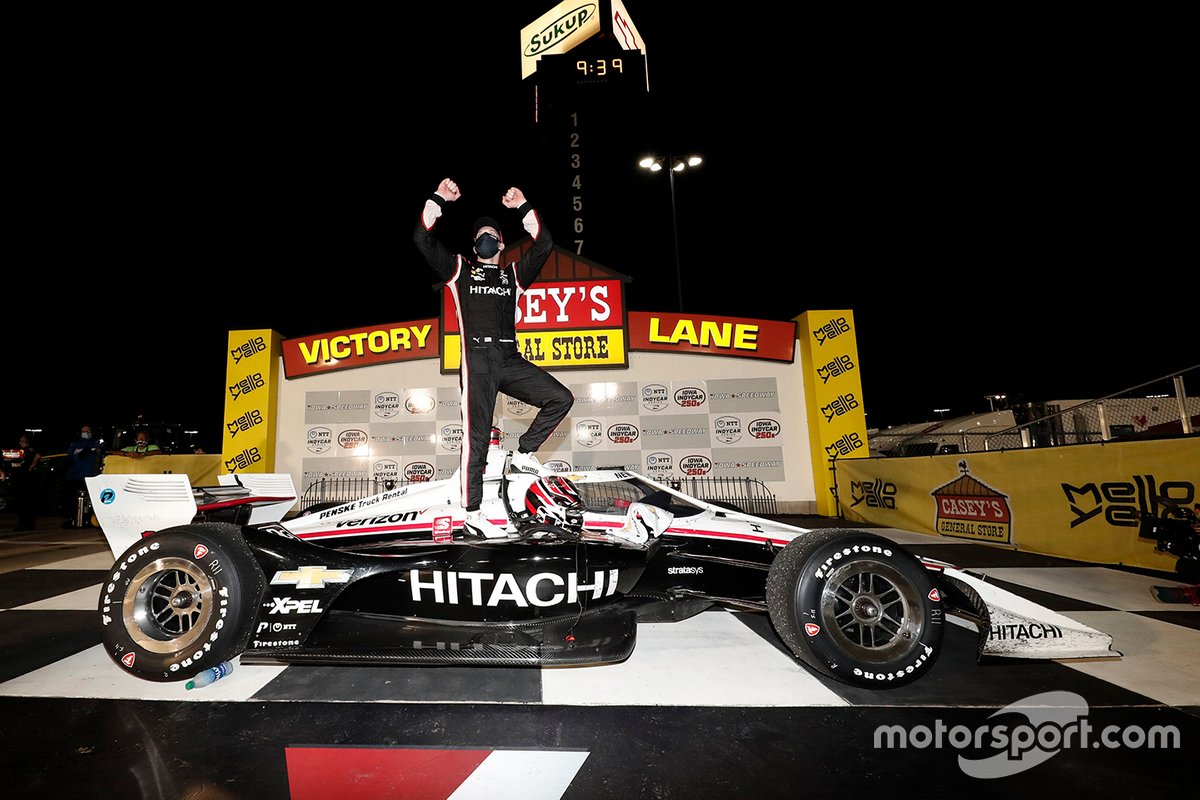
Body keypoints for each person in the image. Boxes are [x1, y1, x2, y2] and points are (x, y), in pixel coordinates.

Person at [414, 178, 574, 538]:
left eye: (491, 234)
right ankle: (472, 512)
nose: (486, 238)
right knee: (477, 439)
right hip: (478, 362)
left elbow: (544, 242)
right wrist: (439, 198)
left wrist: (522, 206)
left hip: (510, 358)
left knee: (560, 398)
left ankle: (523, 455)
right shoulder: (459, 270)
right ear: (475, 245)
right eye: (480, 235)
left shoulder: (513, 275)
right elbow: (421, 239)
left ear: (501, 243)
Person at [62, 425, 105, 527]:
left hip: (92, 476)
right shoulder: (75, 445)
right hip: (75, 476)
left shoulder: (98, 443)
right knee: (71, 499)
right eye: (83, 431)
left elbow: (103, 448)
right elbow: (69, 458)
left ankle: (90, 519)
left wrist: (89, 448)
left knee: (92, 500)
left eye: (88, 431)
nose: (86, 433)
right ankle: (72, 519)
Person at [2, 434, 41, 531]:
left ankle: (24, 524)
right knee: (26, 503)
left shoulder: (28, 450)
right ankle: (28, 524)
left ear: (26, 442)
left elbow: (38, 455)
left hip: (24, 479)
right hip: (24, 478)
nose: (20, 443)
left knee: (22, 502)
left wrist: (31, 466)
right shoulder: (23, 451)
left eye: (22, 441)